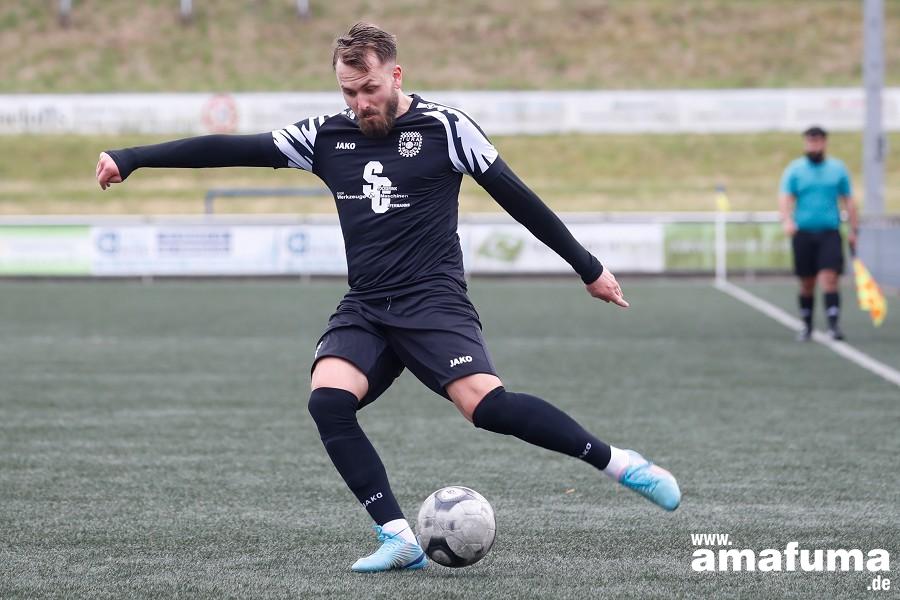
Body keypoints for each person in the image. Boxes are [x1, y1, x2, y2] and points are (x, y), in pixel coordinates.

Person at [96, 22, 680, 573]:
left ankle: (620, 464)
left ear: (396, 76)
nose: (360, 103)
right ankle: (398, 537)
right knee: (328, 400)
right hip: (368, 305)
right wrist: (134, 158)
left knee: (487, 408)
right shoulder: (323, 136)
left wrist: (588, 267)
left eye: (369, 89)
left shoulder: (447, 128)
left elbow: (518, 197)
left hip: (433, 300)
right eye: (349, 92)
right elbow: (229, 148)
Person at [779, 126, 858, 342]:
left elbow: (848, 200)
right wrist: (787, 220)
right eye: (810, 141)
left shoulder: (837, 169)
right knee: (807, 282)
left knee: (829, 278)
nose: (813, 145)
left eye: (817, 141)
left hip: (829, 233)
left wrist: (853, 229)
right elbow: (785, 197)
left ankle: (833, 325)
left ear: (824, 143)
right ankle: (807, 325)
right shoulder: (795, 169)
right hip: (803, 233)